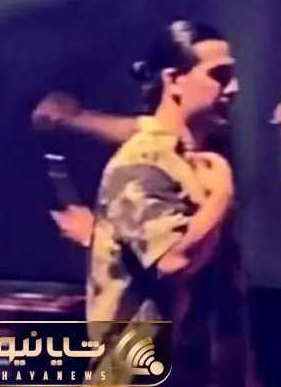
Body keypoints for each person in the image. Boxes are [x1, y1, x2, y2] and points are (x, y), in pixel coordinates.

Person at [86, 19, 240, 386]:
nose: (233, 88)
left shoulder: (194, 160)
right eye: (219, 76)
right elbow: (173, 260)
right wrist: (221, 195)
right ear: (174, 81)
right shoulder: (141, 163)